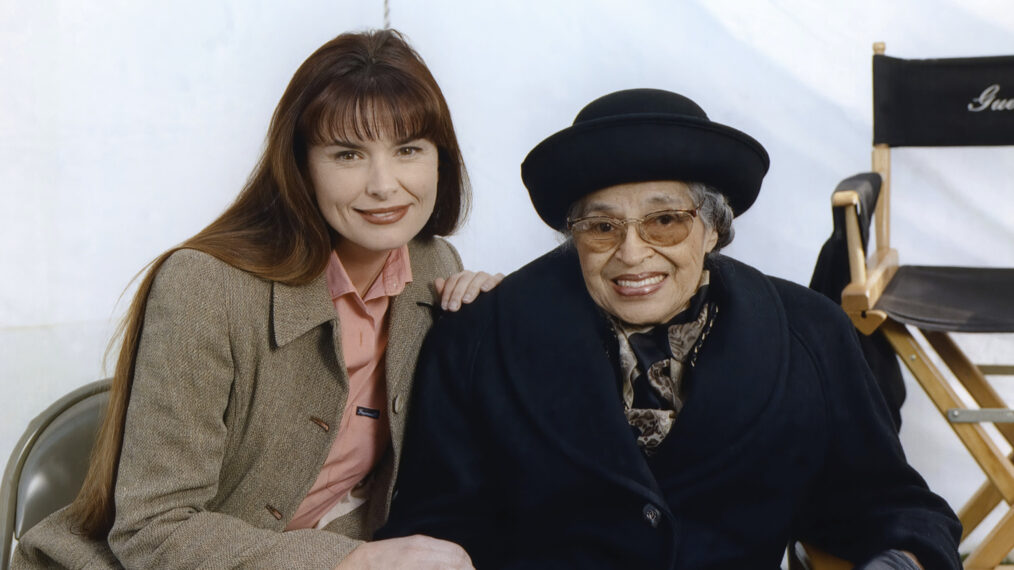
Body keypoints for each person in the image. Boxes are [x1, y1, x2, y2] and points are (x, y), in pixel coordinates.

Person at [377, 88, 962, 568]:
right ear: (573, 235)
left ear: (712, 229)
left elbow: (888, 503)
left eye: (665, 222)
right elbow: (435, 526)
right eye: (601, 227)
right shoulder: (478, 335)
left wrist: (900, 562)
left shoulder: (811, 333)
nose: (632, 255)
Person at [14, 29, 496, 569]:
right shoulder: (203, 287)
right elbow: (153, 530)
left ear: (440, 159)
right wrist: (349, 563)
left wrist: (499, 321)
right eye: (348, 154)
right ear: (302, 166)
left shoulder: (435, 265)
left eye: (408, 149)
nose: (384, 185)